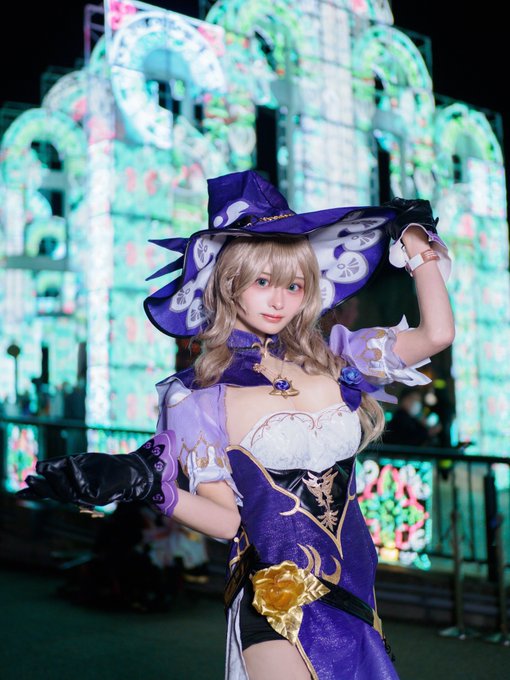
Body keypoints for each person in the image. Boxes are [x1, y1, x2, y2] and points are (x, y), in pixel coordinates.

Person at [18, 170, 454, 680]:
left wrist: (416, 242)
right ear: (229, 284)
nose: (279, 300)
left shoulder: (337, 359)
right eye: (262, 282)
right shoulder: (199, 396)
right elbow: (227, 523)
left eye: (293, 285)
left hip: (357, 595)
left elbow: (436, 334)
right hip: (274, 600)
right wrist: (149, 485)